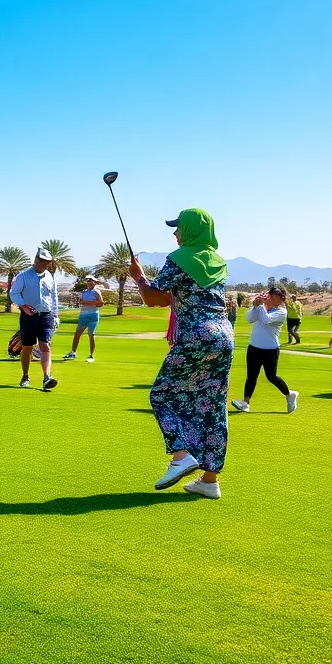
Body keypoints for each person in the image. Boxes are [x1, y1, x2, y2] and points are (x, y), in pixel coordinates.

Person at [129, 208, 233, 500]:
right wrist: (146, 281)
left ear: (189, 230)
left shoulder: (179, 258)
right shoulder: (217, 261)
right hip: (223, 335)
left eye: (178, 228)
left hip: (197, 333)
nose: (175, 233)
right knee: (212, 404)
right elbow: (167, 298)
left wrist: (138, 277)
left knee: (161, 394)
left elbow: (151, 298)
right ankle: (209, 480)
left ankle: (181, 457)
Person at [231, 286, 299, 414]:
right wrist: (255, 305)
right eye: (270, 296)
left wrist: (260, 305)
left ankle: (290, 395)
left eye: (274, 297)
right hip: (254, 347)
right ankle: (245, 403)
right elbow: (250, 319)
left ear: (281, 300)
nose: (270, 299)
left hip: (270, 350)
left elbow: (265, 319)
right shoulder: (263, 308)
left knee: (271, 376)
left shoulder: (281, 312)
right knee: (251, 376)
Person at [8, 248, 60, 391]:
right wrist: (23, 305)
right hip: (28, 316)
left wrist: (56, 316)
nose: (40, 266)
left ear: (48, 264)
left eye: (44, 264)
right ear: (35, 260)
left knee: (45, 345)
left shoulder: (49, 276)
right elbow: (14, 293)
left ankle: (46, 377)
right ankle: (25, 375)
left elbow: (54, 297)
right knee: (27, 347)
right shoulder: (23, 275)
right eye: (39, 263)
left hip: (46, 315)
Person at [64, 276, 103, 362]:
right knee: (77, 335)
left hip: (93, 316)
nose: (88, 282)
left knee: (91, 335)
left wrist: (87, 303)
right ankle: (73, 353)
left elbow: (101, 303)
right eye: (87, 281)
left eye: (90, 280)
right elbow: (80, 301)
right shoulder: (84, 292)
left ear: (94, 282)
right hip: (83, 316)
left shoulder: (96, 292)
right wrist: (79, 300)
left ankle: (91, 356)